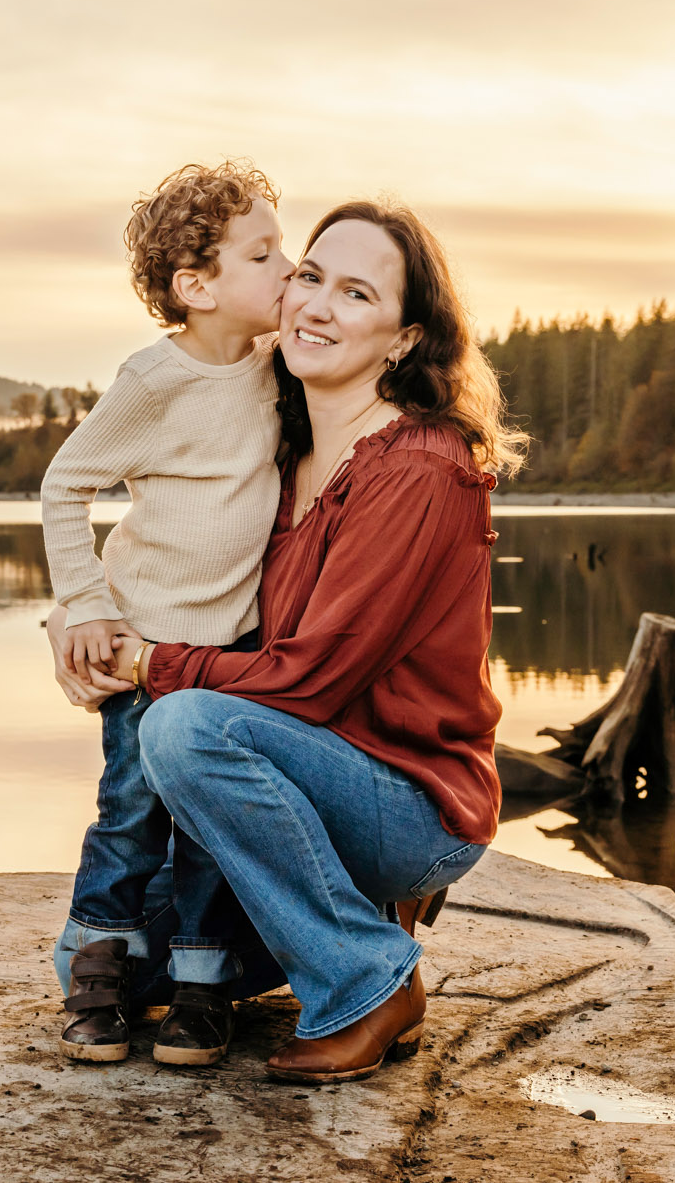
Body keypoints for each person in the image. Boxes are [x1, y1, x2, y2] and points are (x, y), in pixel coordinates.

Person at [96, 199, 525, 1083]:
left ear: (404, 339)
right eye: (312, 277)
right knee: (141, 970)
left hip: (411, 801)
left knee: (181, 730)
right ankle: (357, 922)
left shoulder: (419, 466)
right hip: (317, 771)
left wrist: (151, 667)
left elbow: (310, 681)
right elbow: (180, 569)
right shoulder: (278, 455)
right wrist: (84, 622)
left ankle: (369, 981)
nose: (319, 306)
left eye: (358, 293)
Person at [38, 159, 290, 1066]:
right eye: (263, 255)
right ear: (196, 286)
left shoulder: (277, 363)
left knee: (211, 823)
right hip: (144, 641)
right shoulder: (153, 381)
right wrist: (85, 604)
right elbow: (65, 485)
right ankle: (98, 978)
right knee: (133, 812)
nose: (287, 268)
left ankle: (199, 990)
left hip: (229, 653)